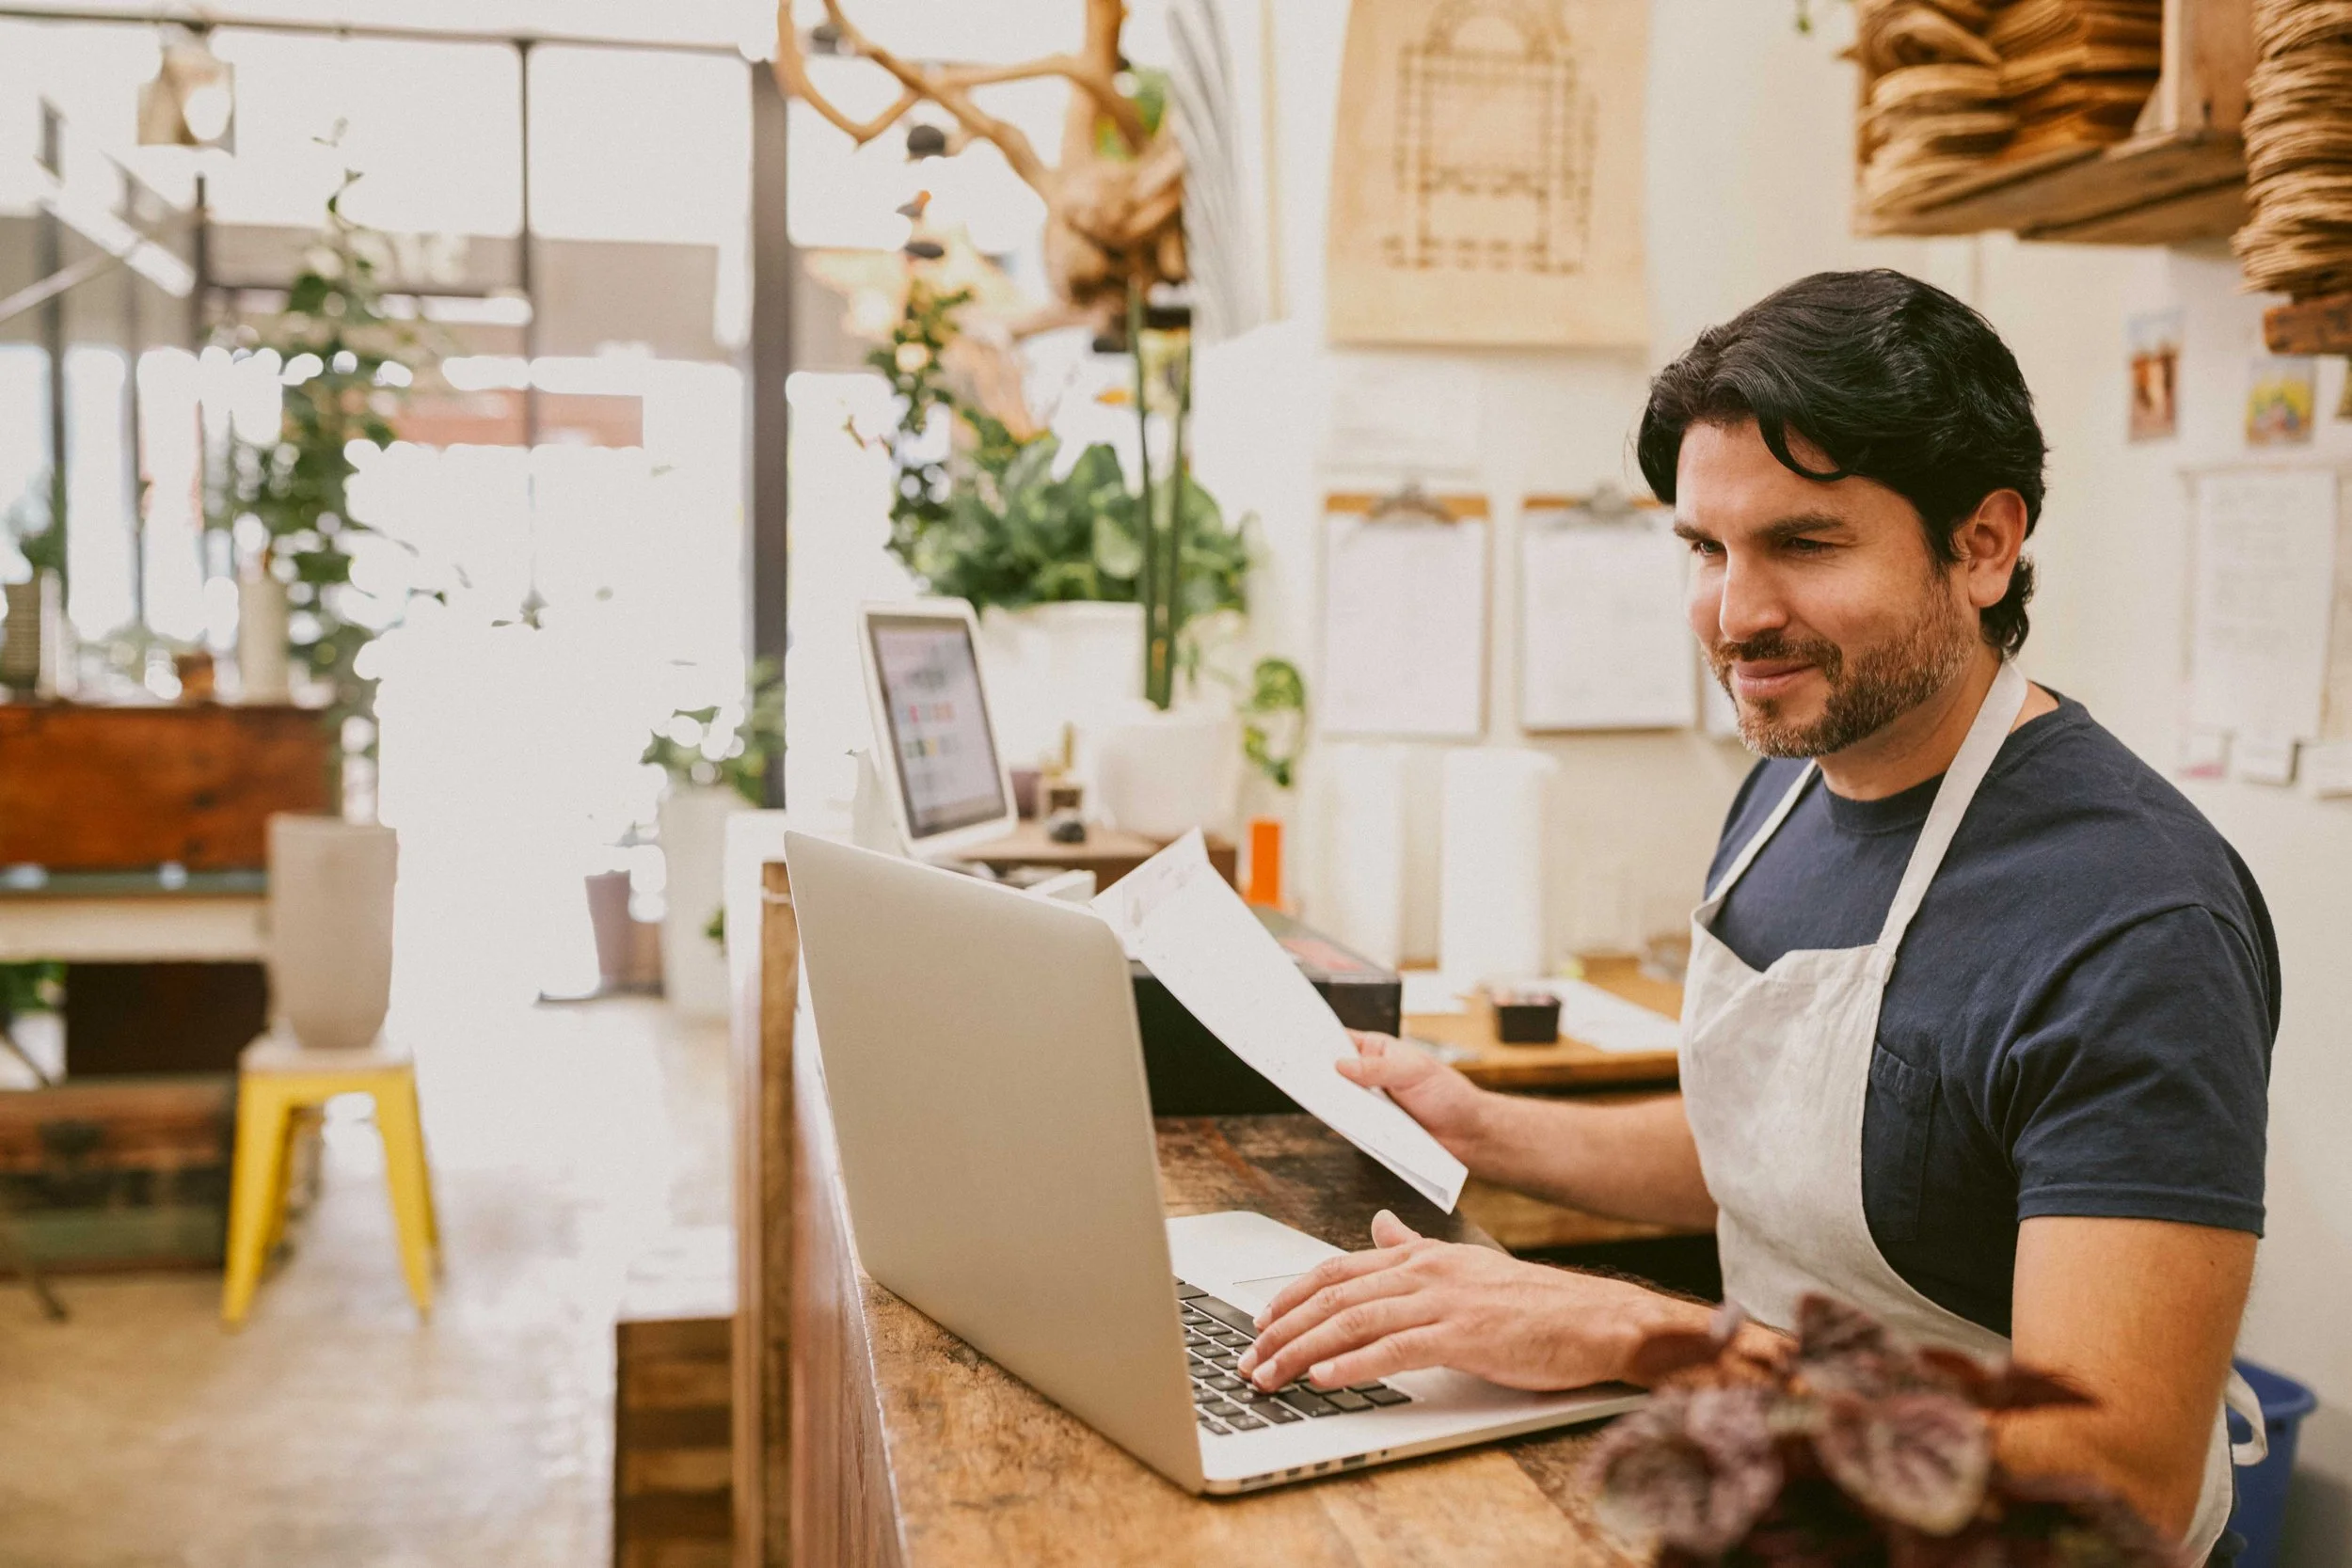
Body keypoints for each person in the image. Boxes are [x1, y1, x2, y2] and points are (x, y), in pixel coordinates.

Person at [1239, 270, 2274, 1562]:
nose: (1735, 616)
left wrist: (1637, 1333)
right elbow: (1805, 1145)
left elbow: (2112, 1477)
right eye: (1706, 550)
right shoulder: (1789, 785)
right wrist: (1486, 1124)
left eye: (1804, 543)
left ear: (1984, 544)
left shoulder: (2132, 921)